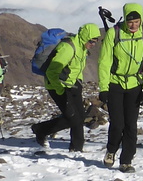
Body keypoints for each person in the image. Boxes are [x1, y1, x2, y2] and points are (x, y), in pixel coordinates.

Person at [97, 3, 143, 173]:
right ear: (125, 20)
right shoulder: (113, 33)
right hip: (115, 83)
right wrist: (104, 87)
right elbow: (104, 61)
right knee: (117, 123)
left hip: (135, 84)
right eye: (131, 22)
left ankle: (126, 160)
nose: (133, 25)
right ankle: (111, 150)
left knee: (131, 124)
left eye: (137, 21)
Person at [31, 23, 101, 152]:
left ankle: (76, 147)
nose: (93, 44)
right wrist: (59, 89)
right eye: (91, 41)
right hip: (58, 86)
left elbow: (76, 68)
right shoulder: (68, 48)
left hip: (73, 85)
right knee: (73, 118)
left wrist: (78, 83)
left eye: (95, 42)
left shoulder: (82, 48)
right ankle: (42, 130)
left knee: (79, 117)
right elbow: (52, 71)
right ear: (85, 37)